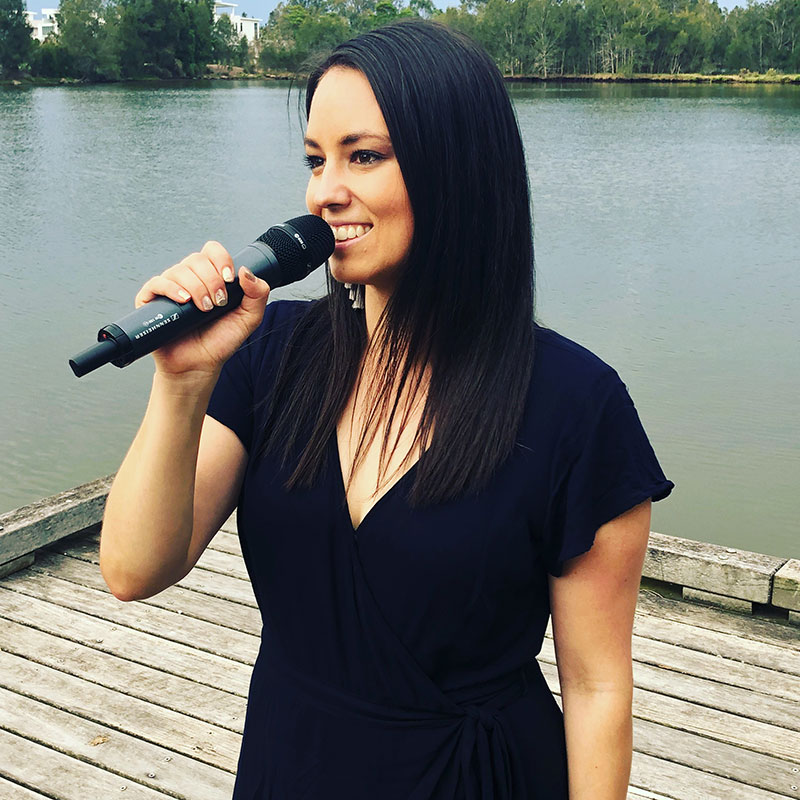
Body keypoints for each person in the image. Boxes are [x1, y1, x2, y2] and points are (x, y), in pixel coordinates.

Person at [99, 19, 673, 800]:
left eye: (362, 156)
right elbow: (134, 569)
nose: (323, 191)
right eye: (315, 159)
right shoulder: (270, 354)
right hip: (289, 762)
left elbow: (599, 689)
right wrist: (182, 381)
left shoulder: (576, 403)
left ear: (458, 167)